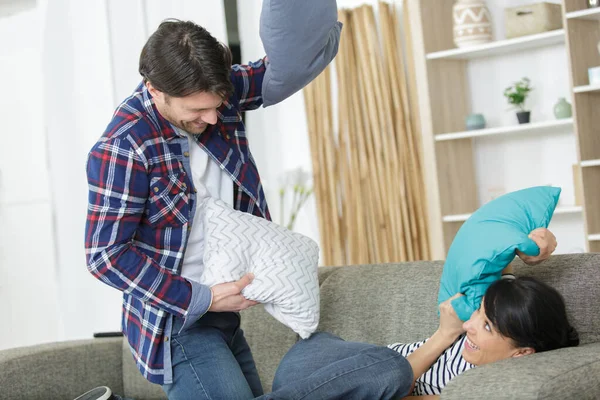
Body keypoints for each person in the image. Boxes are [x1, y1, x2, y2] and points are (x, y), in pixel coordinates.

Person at [84, 15, 338, 399]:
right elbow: (106, 255)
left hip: (226, 317)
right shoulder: (125, 147)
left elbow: (284, 67)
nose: (213, 118)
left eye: (217, 105)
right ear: (154, 89)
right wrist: (202, 298)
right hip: (177, 323)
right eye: (196, 111)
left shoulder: (216, 90)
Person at [253, 228, 578, 400]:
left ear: (522, 353)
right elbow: (494, 252)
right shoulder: (503, 309)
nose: (469, 325)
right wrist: (532, 246)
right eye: (478, 314)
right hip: (321, 357)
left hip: (321, 386)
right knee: (392, 368)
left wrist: (445, 334)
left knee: (394, 373)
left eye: (487, 327)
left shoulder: (474, 385)